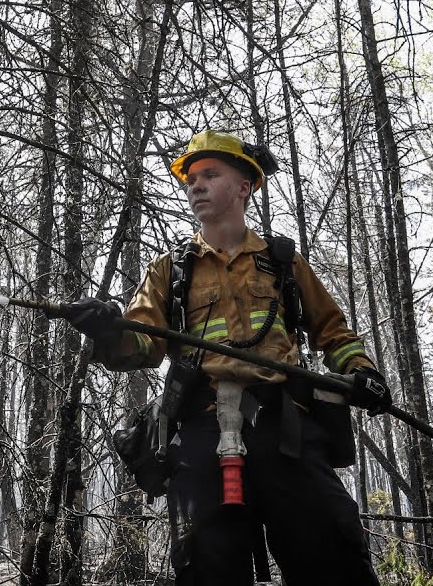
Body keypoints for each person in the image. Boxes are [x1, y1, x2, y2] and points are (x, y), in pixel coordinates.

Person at [69, 130, 391, 586]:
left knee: (332, 553)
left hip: (286, 433)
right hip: (201, 434)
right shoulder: (170, 270)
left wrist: (363, 372)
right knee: (205, 565)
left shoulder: (284, 263)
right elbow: (142, 347)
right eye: (191, 179)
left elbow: (332, 332)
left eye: (209, 175)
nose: (195, 185)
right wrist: (107, 329)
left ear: (244, 186)